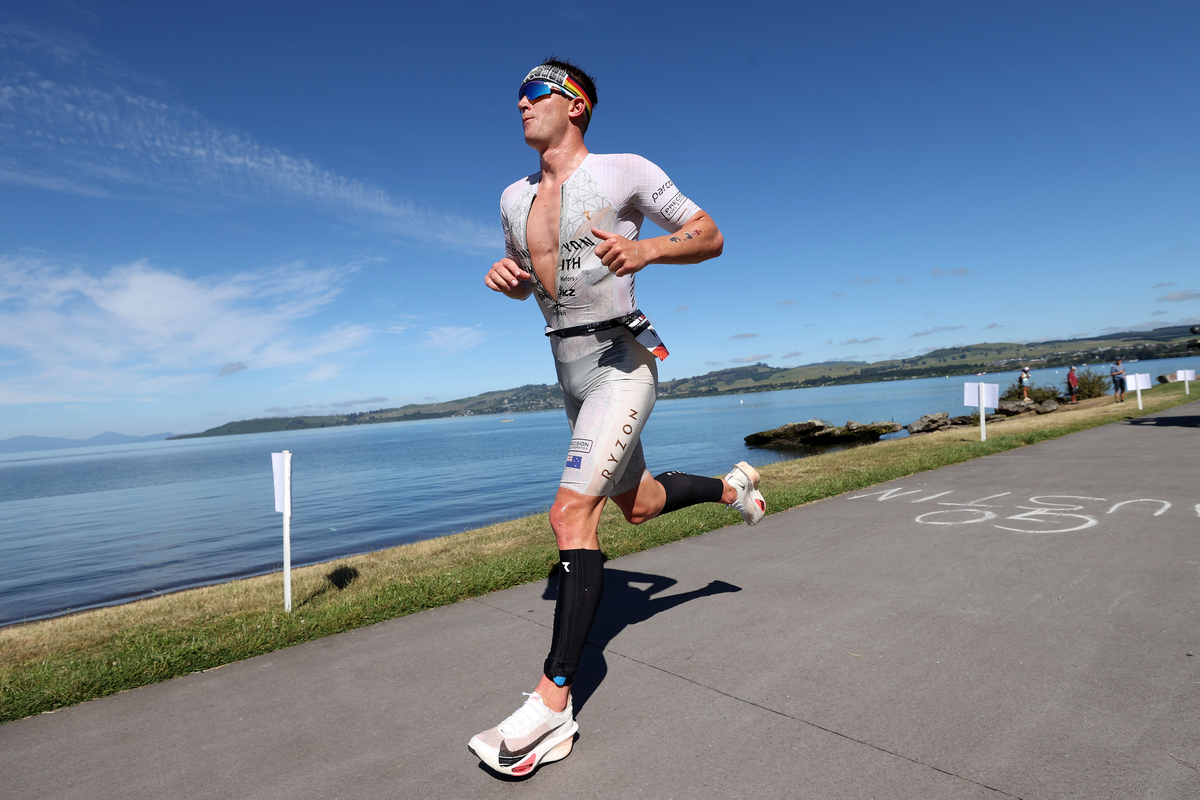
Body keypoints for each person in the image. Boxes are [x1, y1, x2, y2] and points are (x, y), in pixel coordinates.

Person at [471, 58, 766, 778]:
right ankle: (734, 488)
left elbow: (708, 233)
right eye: (518, 94)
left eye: (535, 91)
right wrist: (510, 281)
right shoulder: (512, 197)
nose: (521, 103)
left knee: (571, 515)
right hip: (567, 369)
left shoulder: (624, 171)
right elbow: (535, 279)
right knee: (640, 505)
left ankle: (552, 704)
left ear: (576, 104)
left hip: (620, 363)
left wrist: (645, 249)